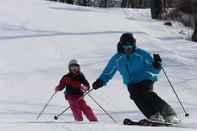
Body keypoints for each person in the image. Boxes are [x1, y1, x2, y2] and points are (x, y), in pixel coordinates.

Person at [92, 33, 179, 123]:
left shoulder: (141, 54)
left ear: (133, 45)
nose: (127, 49)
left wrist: (157, 65)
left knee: (147, 93)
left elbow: (154, 69)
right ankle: (153, 115)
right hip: (131, 82)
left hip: (146, 78)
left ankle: (169, 114)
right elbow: (108, 72)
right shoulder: (117, 58)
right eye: (125, 46)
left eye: (130, 46)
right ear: (121, 45)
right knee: (135, 96)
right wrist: (100, 81)